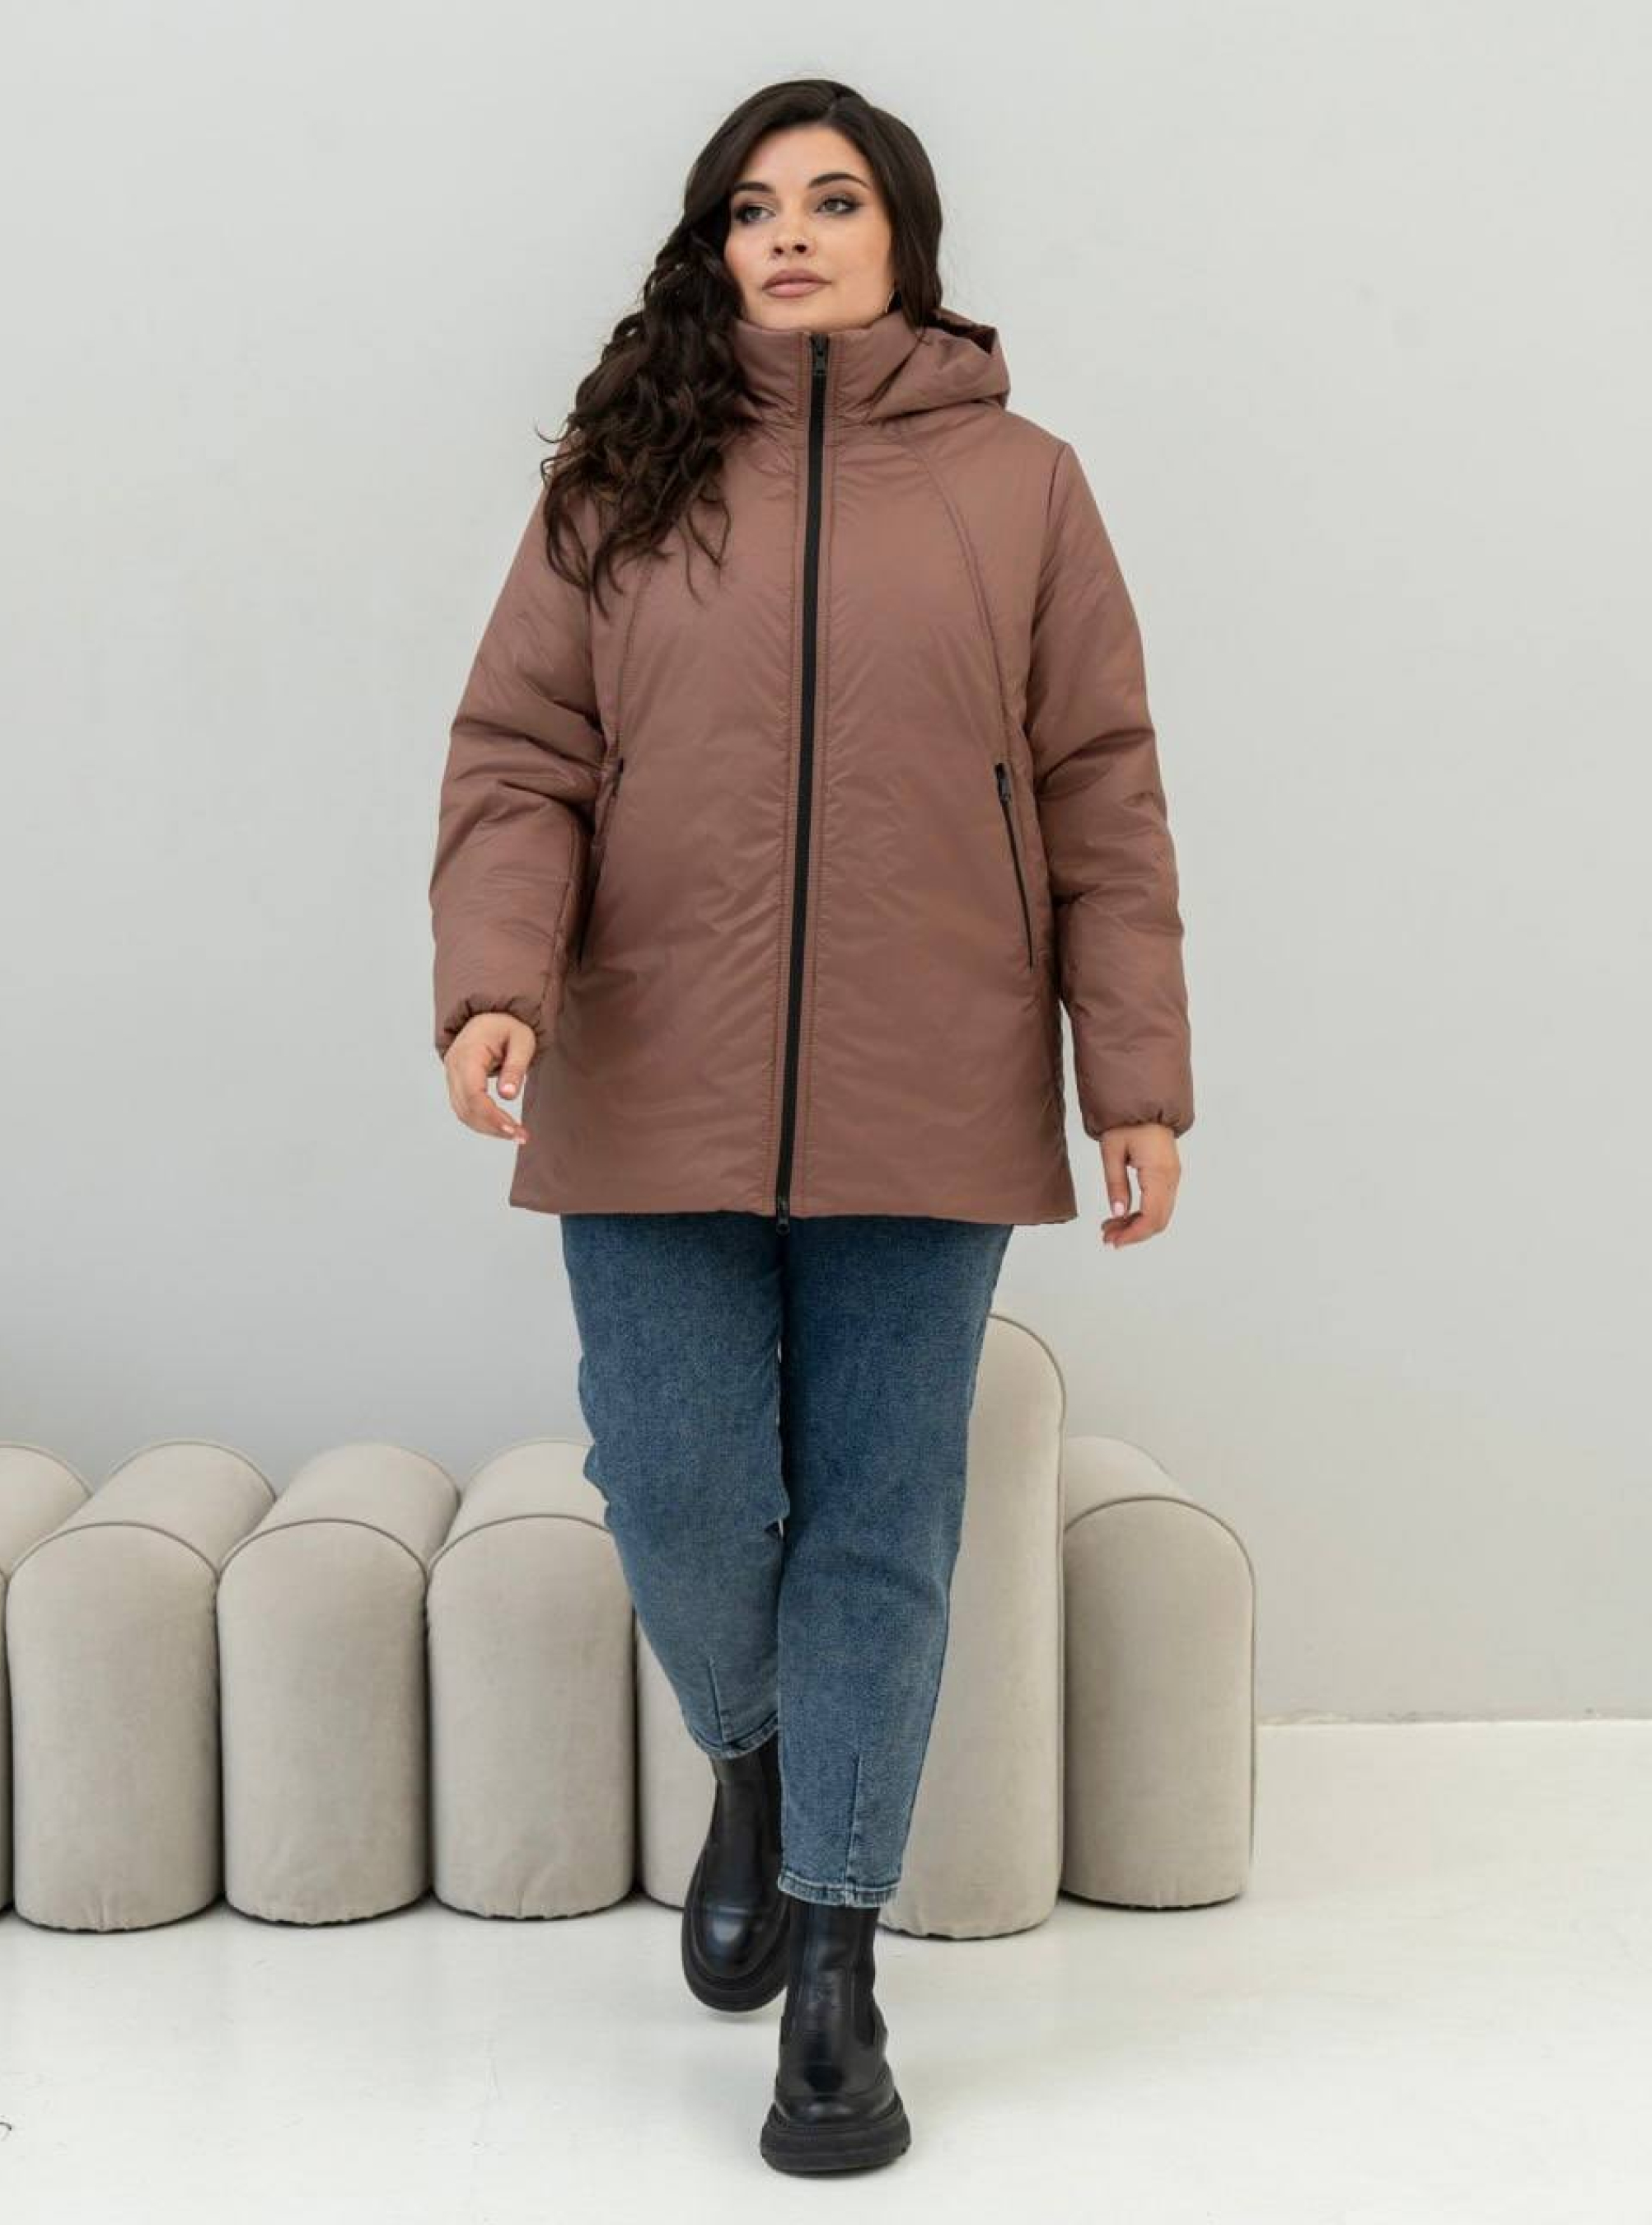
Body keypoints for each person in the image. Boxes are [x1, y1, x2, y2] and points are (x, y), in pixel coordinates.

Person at [428, 76, 1194, 2176]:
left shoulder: (1023, 488)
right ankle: (753, 1763)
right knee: (676, 1483)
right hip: (645, 1062)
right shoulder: (622, 475)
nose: (788, 234)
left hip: (933, 1077)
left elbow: (1102, 790)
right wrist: (496, 978)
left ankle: (837, 1970)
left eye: (832, 201)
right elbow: (518, 756)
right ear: (714, 245)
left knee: (878, 1521)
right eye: (751, 206)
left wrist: (1129, 1079)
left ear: (901, 242)